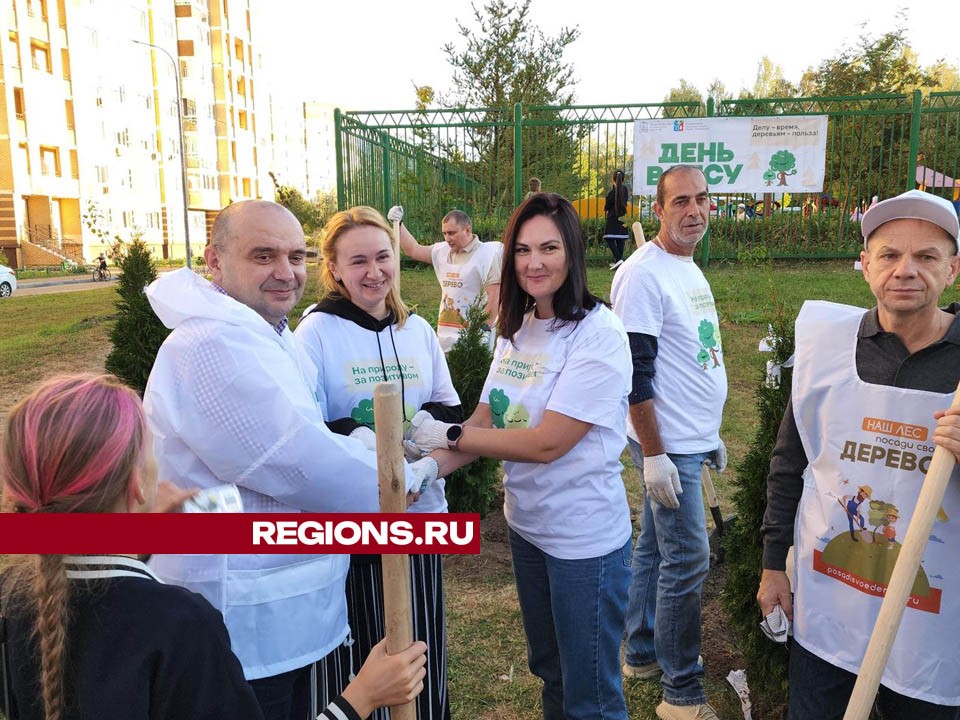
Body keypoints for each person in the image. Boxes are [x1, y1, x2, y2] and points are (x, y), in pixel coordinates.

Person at [142, 199, 435, 720]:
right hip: (243, 622)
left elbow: (310, 435)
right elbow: (299, 463)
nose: (285, 272)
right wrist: (405, 477)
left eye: (296, 256)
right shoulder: (212, 343)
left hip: (279, 606)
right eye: (263, 256)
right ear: (214, 259)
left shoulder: (265, 332)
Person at [0, 374, 427, 720]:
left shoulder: (16, 597)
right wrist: (362, 697)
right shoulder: (180, 624)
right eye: (150, 450)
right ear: (136, 483)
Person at [404, 192, 634, 720]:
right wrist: (423, 468)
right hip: (528, 528)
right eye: (523, 250)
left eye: (549, 247)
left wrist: (447, 435)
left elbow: (546, 443)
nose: (534, 262)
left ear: (573, 252)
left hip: (583, 542)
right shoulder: (519, 328)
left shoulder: (599, 334)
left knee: (591, 696)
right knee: (551, 672)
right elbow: (485, 422)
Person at [758, 188, 960, 719]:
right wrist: (772, 565)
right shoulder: (826, 350)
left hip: (931, 626)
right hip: (830, 608)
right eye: (890, 255)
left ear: (954, 268)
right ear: (865, 264)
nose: (905, 271)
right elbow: (789, 463)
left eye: (927, 256)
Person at [295, 206, 461, 720]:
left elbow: (446, 405)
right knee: (375, 646)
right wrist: (365, 439)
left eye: (383, 257)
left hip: (421, 516)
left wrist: (424, 458)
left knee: (422, 642)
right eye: (358, 261)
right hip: (358, 522)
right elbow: (309, 424)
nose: (374, 272)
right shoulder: (316, 333)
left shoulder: (418, 331)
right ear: (335, 269)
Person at [610, 165, 727, 720]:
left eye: (702, 199)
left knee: (656, 547)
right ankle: (681, 692)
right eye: (681, 201)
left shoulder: (688, 267)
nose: (694, 210)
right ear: (658, 209)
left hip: (687, 437)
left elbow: (695, 357)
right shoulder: (644, 275)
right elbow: (635, 374)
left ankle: (640, 651)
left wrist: (710, 434)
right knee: (688, 559)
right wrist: (655, 454)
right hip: (666, 442)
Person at [388, 205, 503, 351]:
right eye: (444, 233)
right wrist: (399, 225)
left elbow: (494, 296)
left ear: (467, 230)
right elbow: (413, 249)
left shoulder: (488, 254)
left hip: (475, 335)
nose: (447, 238)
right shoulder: (441, 251)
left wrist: (484, 329)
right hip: (445, 334)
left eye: (452, 233)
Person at [604, 169, 630, 270]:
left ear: (613, 180)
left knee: (609, 238)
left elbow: (607, 207)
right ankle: (618, 261)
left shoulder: (611, 193)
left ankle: (618, 259)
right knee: (621, 240)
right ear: (622, 180)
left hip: (612, 218)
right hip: (622, 217)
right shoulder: (625, 191)